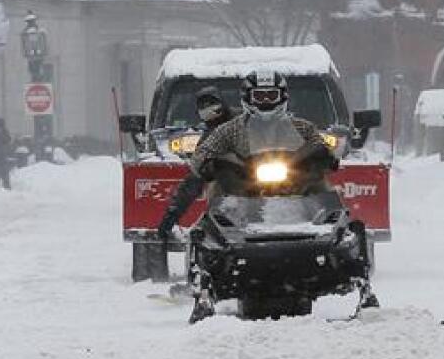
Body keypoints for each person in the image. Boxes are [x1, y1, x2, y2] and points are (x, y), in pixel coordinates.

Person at [156, 71, 378, 315]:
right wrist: (207, 163)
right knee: (205, 228)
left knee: (342, 215)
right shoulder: (228, 131)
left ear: (282, 97)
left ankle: (359, 279)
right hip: (243, 191)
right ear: (247, 98)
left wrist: (324, 155)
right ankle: (205, 287)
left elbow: (322, 147)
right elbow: (202, 155)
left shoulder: (301, 127)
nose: (265, 102)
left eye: (270, 96)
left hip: (297, 189)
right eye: (259, 96)